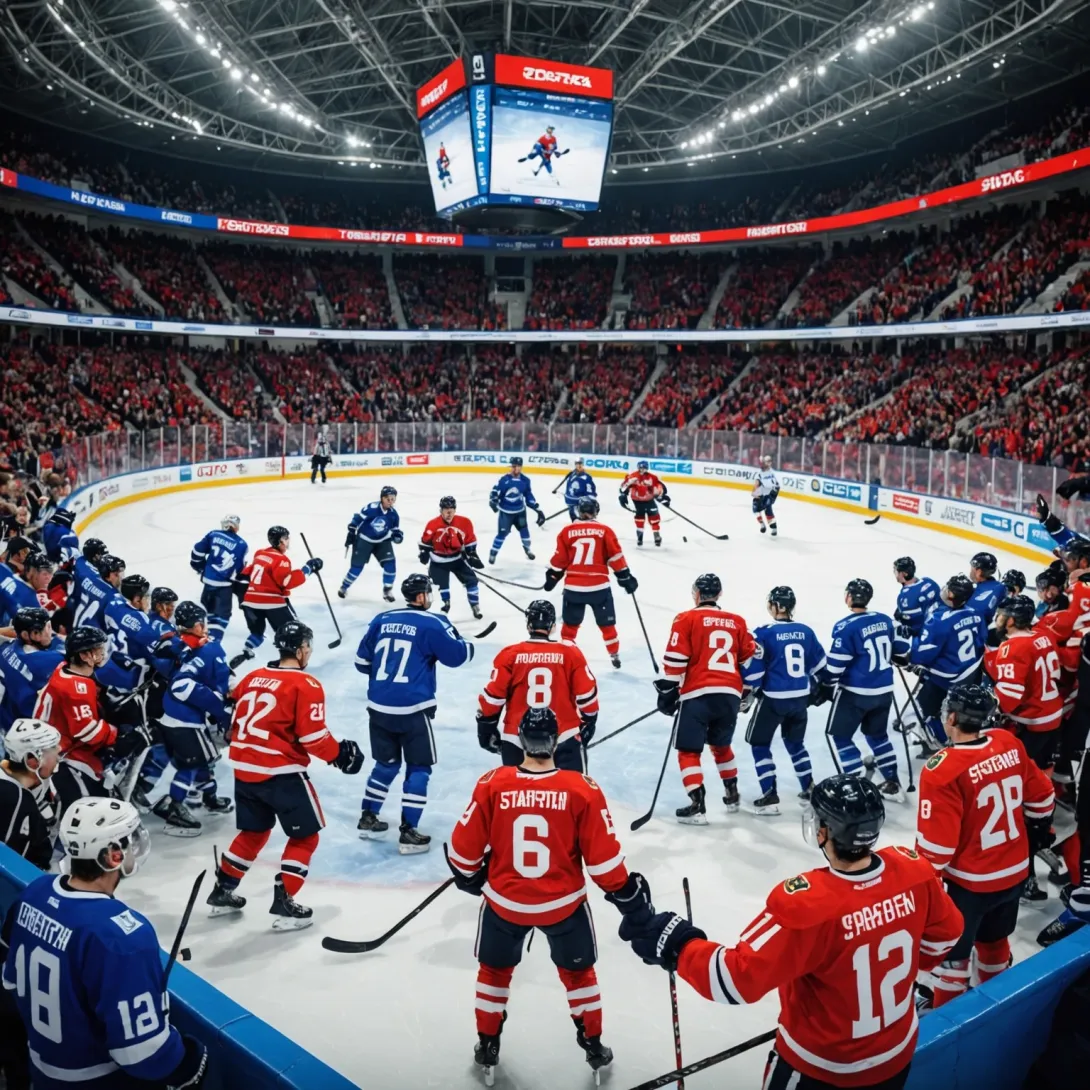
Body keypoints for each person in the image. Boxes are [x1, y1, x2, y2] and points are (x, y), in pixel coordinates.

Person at [617, 774, 964, 1090]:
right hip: (895, 1055)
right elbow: (949, 933)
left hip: (823, 1069)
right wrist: (897, 976)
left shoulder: (807, 905)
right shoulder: (915, 870)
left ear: (825, 831)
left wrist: (679, 944)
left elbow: (735, 980)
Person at [448, 707, 645, 1081]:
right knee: (579, 974)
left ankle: (487, 1043)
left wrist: (471, 875)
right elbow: (604, 866)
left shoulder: (492, 783)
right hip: (563, 906)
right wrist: (628, 893)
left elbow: (461, 854)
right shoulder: (581, 789)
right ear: (556, 741)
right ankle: (593, 1045)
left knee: (494, 971)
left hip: (505, 904)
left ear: (521, 739)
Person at [1, 797, 209, 1089]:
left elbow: (9, 981)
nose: (135, 846)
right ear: (113, 856)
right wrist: (188, 1063)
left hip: (41, 1069)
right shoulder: (121, 938)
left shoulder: (35, 891)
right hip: (98, 1080)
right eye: (129, 840)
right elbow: (144, 1054)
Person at [208, 621, 362, 929]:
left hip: (244, 768)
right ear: (302, 649)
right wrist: (340, 755)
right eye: (308, 647)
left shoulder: (252, 677)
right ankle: (285, 902)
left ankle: (223, 889)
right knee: (305, 837)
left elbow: (232, 712)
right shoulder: (306, 684)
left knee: (253, 833)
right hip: (280, 773)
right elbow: (313, 737)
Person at [915, 684, 1055, 1005]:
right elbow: (1043, 797)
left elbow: (937, 851)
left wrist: (924, 890)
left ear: (951, 717)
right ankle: (997, 1009)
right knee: (995, 943)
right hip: (1015, 872)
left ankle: (949, 1022)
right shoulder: (1007, 741)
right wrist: (1033, 835)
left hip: (969, 885)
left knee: (952, 963)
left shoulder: (942, 769)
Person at [354, 573, 473, 852]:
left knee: (386, 764)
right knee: (419, 768)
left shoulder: (382, 619)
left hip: (378, 707)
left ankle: (368, 818)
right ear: (421, 596)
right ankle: (408, 832)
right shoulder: (433, 623)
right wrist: (465, 642)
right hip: (412, 709)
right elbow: (458, 656)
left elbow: (362, 662)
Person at [655, 573, 756, 824]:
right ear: (719, 594)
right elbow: (749, 659)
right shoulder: (737, 621)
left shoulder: (686, 618)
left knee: (688, 750)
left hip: (697, 694)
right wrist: (746, 691)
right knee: (721, 746)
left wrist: (668, 691)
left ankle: (697, 804)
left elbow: (676, 659)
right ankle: (732, 793)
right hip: (730, 695)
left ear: (696, 594)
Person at [34, 626, 149, 822]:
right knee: (87, 812)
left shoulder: (65, 668)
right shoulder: (75, 688)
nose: (102, 652)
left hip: (56, 745)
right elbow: (86, 731)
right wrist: (116, 734)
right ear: (85, 655)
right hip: (61, 756)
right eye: (97, 649)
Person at [477, 599, 599, 772]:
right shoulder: (570, 653)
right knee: (570, 788)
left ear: (528, 625)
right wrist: (589, 722)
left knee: (516, 789)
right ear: (552, 626)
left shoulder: (509, 655)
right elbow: (587, 696)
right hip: (563, 735)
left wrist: (486, 728)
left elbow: (492, 699)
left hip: (516, 738)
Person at [741, 586, 827, 813]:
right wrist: (821, 689)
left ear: (775, 606)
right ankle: (809, 787)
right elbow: (821, 668)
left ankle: (769, 793)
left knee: (760, 744)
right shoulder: (806, 631)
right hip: (800, 699)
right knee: (795, 743)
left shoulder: (763, 633)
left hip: (773, 700)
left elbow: (754, 672)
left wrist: (747, 692)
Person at [154, 601, 235, 837]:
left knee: (201, 761)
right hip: (184, 721)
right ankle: (175, 806)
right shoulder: (207, 650)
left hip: (173, 716)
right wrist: (218, 706)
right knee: (191, 764)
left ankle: (209, 797)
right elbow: (181, 685)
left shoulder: (181, 644)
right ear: (198, 625)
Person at [824, 578, 906, 801]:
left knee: (839, 737)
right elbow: (901, 650)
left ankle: (856, 786)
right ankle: (892, 783)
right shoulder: (885, 620)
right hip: (884, 690)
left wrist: (824, 683)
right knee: (877, 735)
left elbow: (835, 666)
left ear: (849, 597)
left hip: (855, 693)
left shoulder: (845, 626)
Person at [895, 574, 987, 748]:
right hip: (972, 674)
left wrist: (910, 654)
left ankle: (943, 743)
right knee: (962, 711)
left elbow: (921, 655)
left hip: (947, 678)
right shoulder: (976, 614)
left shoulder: (939, 620)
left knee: (924, 706)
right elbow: (981, 641)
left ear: (951, 595)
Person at [544, 496, 635, 669]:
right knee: (607, 625)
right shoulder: (605, 531)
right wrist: (625, 577)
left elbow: (560, 560)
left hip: (574, 589)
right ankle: (614, 655)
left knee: (570, 627)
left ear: (578, 511)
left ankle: (565, 657)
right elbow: (615, 557)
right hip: (599, 588)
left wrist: (553, 576)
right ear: (596, 511)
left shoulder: (566, 532)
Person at [231, 525, 322, 670]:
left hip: (250, 602)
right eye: (285, 538)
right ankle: (291, 662)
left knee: (257, 632)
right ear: (279, 541)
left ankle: (247, 650)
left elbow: (245, 575)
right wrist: (308, 569)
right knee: (294, 633)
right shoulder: (281, 560)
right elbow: (287, 582)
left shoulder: (259, 554)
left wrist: (243, 598)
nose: (288, 540)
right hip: (272, 603)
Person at [0, 717, 60, 870]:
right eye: (53, 748)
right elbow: (8, 862)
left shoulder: (40, 782)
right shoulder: (12, 797)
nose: (59, 752)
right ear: (32, 760)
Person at [0, 606, 64, 732]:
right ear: (27, 635)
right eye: (47, 628)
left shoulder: (7, 648)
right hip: (24, 728)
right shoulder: (46, 661)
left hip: (6, 716)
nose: (50, 632)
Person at [419, 495, 483, 618]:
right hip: (438, 561)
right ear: (441, 510)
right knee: (441, 586)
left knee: (472, 580)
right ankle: (444, 606)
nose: (449, 513)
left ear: (455, 510)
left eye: (451, 510)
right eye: (446, 510)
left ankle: (475, 605)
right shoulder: (432, 524)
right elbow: (425, 542)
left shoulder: (465, 522)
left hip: (457, 559)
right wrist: (424, 552)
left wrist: (471, 553)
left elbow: (469, 540)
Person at [189, 513, 248, 640]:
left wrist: (200, 567)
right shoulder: (242, 544)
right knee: (221, 618)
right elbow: (240, 570)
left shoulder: (213, 534)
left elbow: (197, 551)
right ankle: (212, 646)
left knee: (205, 614)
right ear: (236, 527)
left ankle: (197, 641)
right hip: (224, 588)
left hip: (208, 584)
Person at [338, 486, 401, 602]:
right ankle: (344, 587)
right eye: (388, 499)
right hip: (364, 540)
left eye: (393, 499)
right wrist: (352, 529)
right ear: (382, 498)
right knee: (357, 567)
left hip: (382, 541)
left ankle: (387, 590)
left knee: (390, 564)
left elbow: (395, 529)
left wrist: (398, 536)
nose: (390, 502)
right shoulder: (371, 508)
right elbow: (357, 519)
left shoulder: (393, 514)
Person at [488, 457, 543, 563]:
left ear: (520, 467)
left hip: (520, 512)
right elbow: (496, 491)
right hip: (506, 512)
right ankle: (493, 552)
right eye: (512, 466)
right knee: (502, 534)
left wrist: (536, 507)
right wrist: (493, 499)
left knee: (524, 531)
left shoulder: (525, 480)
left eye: (516, 466)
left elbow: (528, 494)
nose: (514, 468)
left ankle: (528, 549)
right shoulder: (504, 480)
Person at [619, 460, 669, 547]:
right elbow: (623, 487)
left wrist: (661, 496)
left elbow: (659, 487)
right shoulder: (632, 476)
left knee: (654, 518)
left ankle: (656, 536)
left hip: (649, 500)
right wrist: (624, 494)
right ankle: (640, 538)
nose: (642, 469)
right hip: (637, 502)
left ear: (647, 468)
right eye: (641, 468)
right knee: (639, 519)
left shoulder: (652, 477)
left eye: (644, 468)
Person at [892, 556, 939, 637]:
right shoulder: (929, 581)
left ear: (904, 574)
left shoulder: (904, 598)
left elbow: (911, 626)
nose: (894, 573)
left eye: (896, 571)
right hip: (939, 623)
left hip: (925, 635)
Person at [0, 550, 53, 619]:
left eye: (50, 573)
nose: (48, 578)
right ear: (31, 571)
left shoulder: (4, 570)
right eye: (45, 573)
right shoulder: (33, 604)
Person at [966, 551, 1006, 623]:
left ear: (978, 572)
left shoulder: (970, 598)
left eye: (972, 568)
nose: (970, 571)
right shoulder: (1001, 588)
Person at [752, 453, 781, 536]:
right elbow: (757, 483)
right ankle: (762, 524)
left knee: (767, 508)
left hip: (771, 493)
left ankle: (773, 527)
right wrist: (755, 492)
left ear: (770, 463)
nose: (764, 464)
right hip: (762, 491)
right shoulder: (759, 473)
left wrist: (774, 493)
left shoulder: (773, 473)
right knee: (755, 508)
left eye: (767, 462)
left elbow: (778, 485)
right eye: (764, 462)